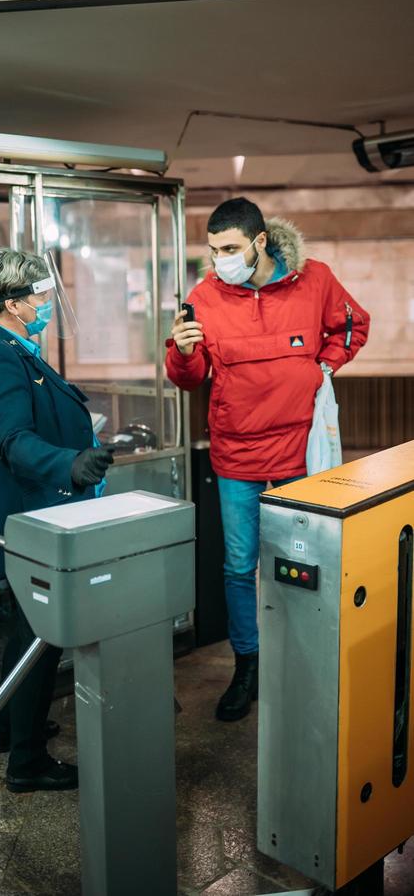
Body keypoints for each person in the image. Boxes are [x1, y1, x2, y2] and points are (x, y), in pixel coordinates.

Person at [165, 197, 369, 722]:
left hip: (301, 455)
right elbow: (189, 378)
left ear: (259, 242)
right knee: (239, 567)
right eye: (212, 251)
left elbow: (352, 326)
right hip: (237, 457)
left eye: (230, 248)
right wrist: (183, 352)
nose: (220, 261)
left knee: (304, 564)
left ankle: (304, 659)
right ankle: (247, 665)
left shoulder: (315, 279)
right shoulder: (204, 297)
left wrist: (321, 368)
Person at [0, 249, 113, 792]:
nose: (47, 303)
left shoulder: (15, 347)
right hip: (27, 516)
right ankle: (26, 762)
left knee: (24, 631)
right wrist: (67, 464)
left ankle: (9, 726)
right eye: (40, 296)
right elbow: (10, 439)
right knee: (38, 639)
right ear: (15, 303)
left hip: (42, 511)